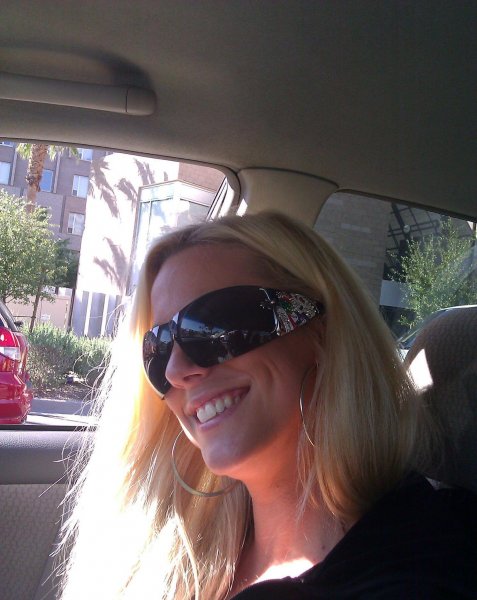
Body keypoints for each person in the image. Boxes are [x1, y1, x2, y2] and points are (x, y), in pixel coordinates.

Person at [58, 211, 476, 600]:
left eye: (212, 324)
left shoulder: (422, 566)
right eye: (159, 348)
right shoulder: (172, 555)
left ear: (321, 330)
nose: (176, 370)